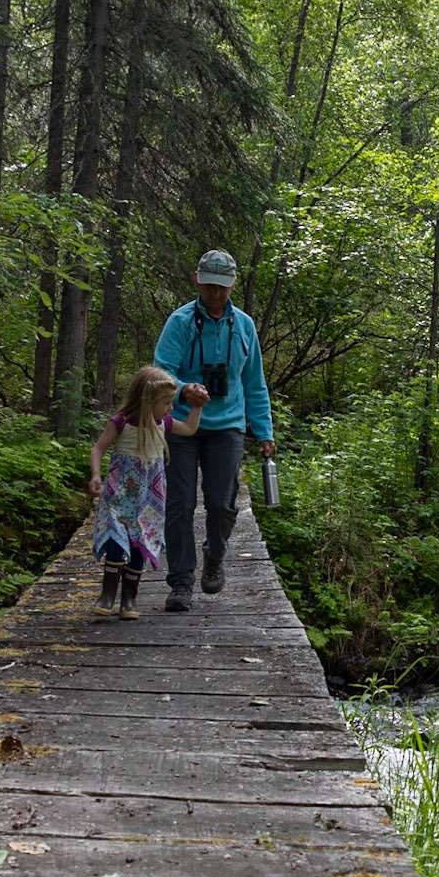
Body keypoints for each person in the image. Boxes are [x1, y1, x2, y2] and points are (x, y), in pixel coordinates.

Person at [153, 249, 275, 614]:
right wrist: (183, 388)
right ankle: (180, 582)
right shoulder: (180, 322)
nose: (215, 294)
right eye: (209, 286)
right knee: (179, 504)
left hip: (228, 427)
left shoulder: (245, 326)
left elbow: (254, 383)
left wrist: (264, 430)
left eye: (221, 287)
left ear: (232, 285)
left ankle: (214, 556)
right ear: (197, 280)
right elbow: (161, 371)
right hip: (180, 425)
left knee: (222, 504)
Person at [89, 365, 202, 621]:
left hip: (150, 500)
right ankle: (107, 595)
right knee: (117, 538)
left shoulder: (164, 424)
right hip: (120, 495)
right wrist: (96, 474)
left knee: (142, 541)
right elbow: (98, 449)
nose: (170, 408)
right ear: (147, 400)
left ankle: (129, 598)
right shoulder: (121, 423)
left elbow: (190, 429)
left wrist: (197, 408)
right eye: (166, 403)